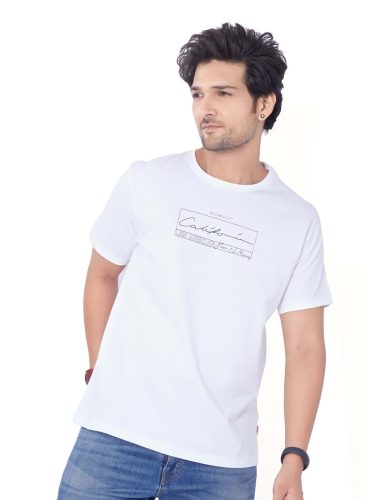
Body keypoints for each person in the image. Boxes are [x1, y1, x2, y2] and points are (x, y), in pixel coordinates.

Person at [57, 21, 333, 500]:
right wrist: (99, 372)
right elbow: (102, 274)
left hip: (220, 465)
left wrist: (294, 458)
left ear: (264, 104)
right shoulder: (148, 182)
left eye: (223, 93)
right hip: (113, 442)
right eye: (198, 94)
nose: (206, 108)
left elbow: (306, 346)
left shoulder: (297, 220)